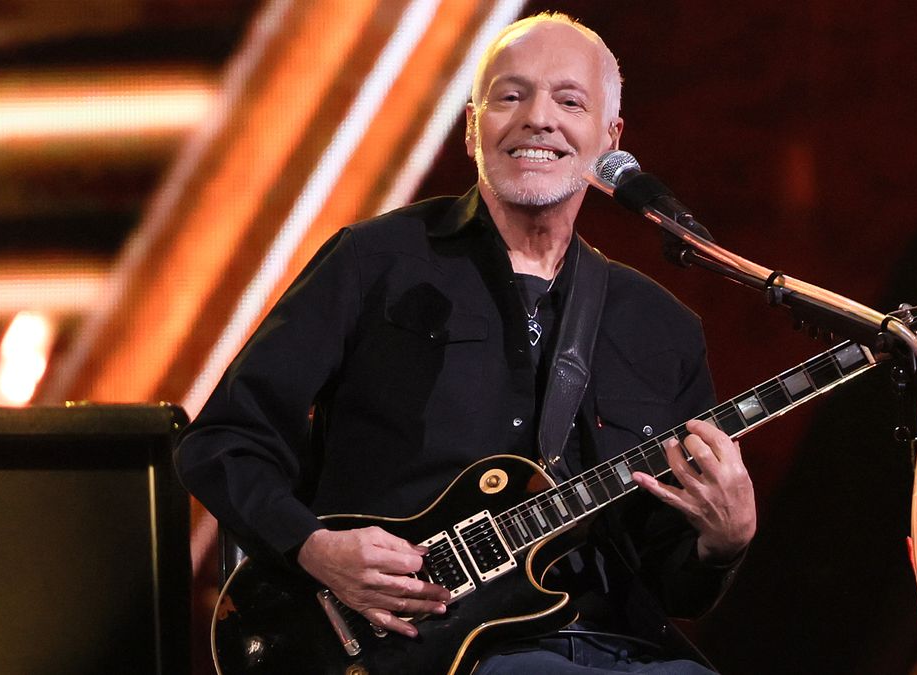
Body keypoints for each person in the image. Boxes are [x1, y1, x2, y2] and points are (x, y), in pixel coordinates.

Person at [176, 12, 756, 674]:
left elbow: (671, 582)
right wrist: (314, 547)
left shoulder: (662, 326)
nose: (539, 117)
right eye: (510, 95)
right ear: (473, 127)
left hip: (618, 650)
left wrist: (723, 541)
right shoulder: (375, 261)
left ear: (610, 138)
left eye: (569, 101)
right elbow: (224, 439)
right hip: (409, 649)